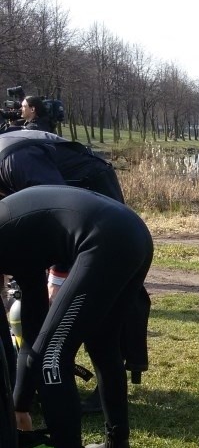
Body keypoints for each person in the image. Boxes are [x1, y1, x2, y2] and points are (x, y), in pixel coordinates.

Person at [0, 184, 153, 448]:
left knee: (51, 360)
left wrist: (18, 403)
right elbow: (33, 328)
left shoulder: (5, 234)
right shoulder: (14, 240)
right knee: (102, 343)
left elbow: (36, 349)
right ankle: (116, 447)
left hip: (107, 238)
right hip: (132, 231)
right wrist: (20, 406)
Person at [0, 128, 152, 419]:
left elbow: (57, 203)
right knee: (100, 340)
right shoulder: (8, 159)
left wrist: (57, 278)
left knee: (52, 353)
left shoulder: (13, 160)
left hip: (96, 217)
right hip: (126, 230)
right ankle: (116, 446)